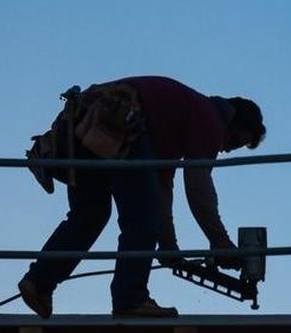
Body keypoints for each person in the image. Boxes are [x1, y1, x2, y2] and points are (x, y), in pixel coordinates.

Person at [18, 76, 266, 318]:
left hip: (84, 121)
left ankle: (39, 281)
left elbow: (162, 190)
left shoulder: (175, 122)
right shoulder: (209, 119)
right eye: (233, 141)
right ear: (232, 121)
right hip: (119, 118)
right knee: (140, 217)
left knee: (90, 214)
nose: (224, 148)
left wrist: (169, 247)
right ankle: (130, 298)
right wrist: (220, 243)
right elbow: (198, 189)